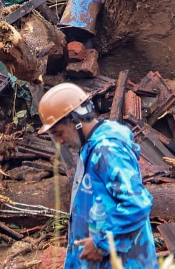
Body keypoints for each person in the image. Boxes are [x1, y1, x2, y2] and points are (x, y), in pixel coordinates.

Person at [38, 83, 154, 269]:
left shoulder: (107, 149)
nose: (59, 141)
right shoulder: (91, 147)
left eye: (59, 133)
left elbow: (137, 203)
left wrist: (101, 244)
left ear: (76, 120)